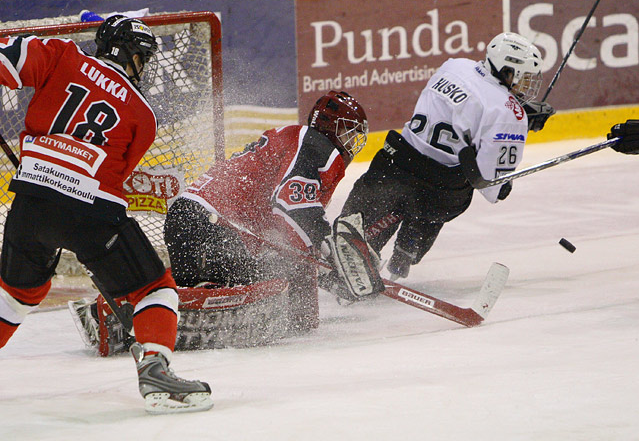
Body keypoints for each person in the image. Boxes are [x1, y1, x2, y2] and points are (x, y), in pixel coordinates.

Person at [0, 15, 212, 414]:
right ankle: (155, 367)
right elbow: (115, 175)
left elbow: (6, 58)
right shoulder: (143, 115)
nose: (143, 67)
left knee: (14, 295)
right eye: (142, 59)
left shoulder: (60, 55)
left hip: (30, 203)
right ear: (131, 54)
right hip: (92, 211)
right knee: (156, 289)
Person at [340, 32, 554, 280]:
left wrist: (513, 116)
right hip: (437, 189)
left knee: (352, 231)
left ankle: (352, 244)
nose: (526, 85)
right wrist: (517, 126)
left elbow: (468, 103)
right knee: (443, 194)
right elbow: (490, 186)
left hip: (394, 161)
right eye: (523, 77)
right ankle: (407, 250)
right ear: (508, 71)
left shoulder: (454, 65)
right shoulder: (509, 112)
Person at [164, 90, 382, 316]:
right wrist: (335, 255)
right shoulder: (314, 144)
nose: (351, 143)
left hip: (190, 221)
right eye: (348, 134)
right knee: (276, 279)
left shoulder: (297, 140)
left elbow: (287, 235)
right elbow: (292, 206)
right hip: (211, 224)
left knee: (274, 272)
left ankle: (172, 297)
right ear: (332, 127)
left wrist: (330, 274)